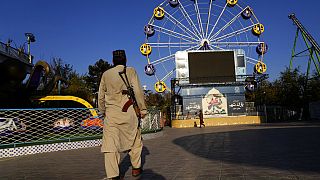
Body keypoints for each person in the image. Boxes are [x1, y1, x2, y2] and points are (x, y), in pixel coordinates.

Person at [98, 50, 147, 180]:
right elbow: (138, 91)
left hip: (112, 115)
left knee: (110, 145)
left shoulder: (106, 74)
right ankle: (136, 168)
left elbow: (101, 97)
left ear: (113, 61)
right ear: (125, 60)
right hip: (129, 112)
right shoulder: (131, 71)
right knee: (135, 140)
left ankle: (113, 175)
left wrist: (103, 112)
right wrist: (142, 110)